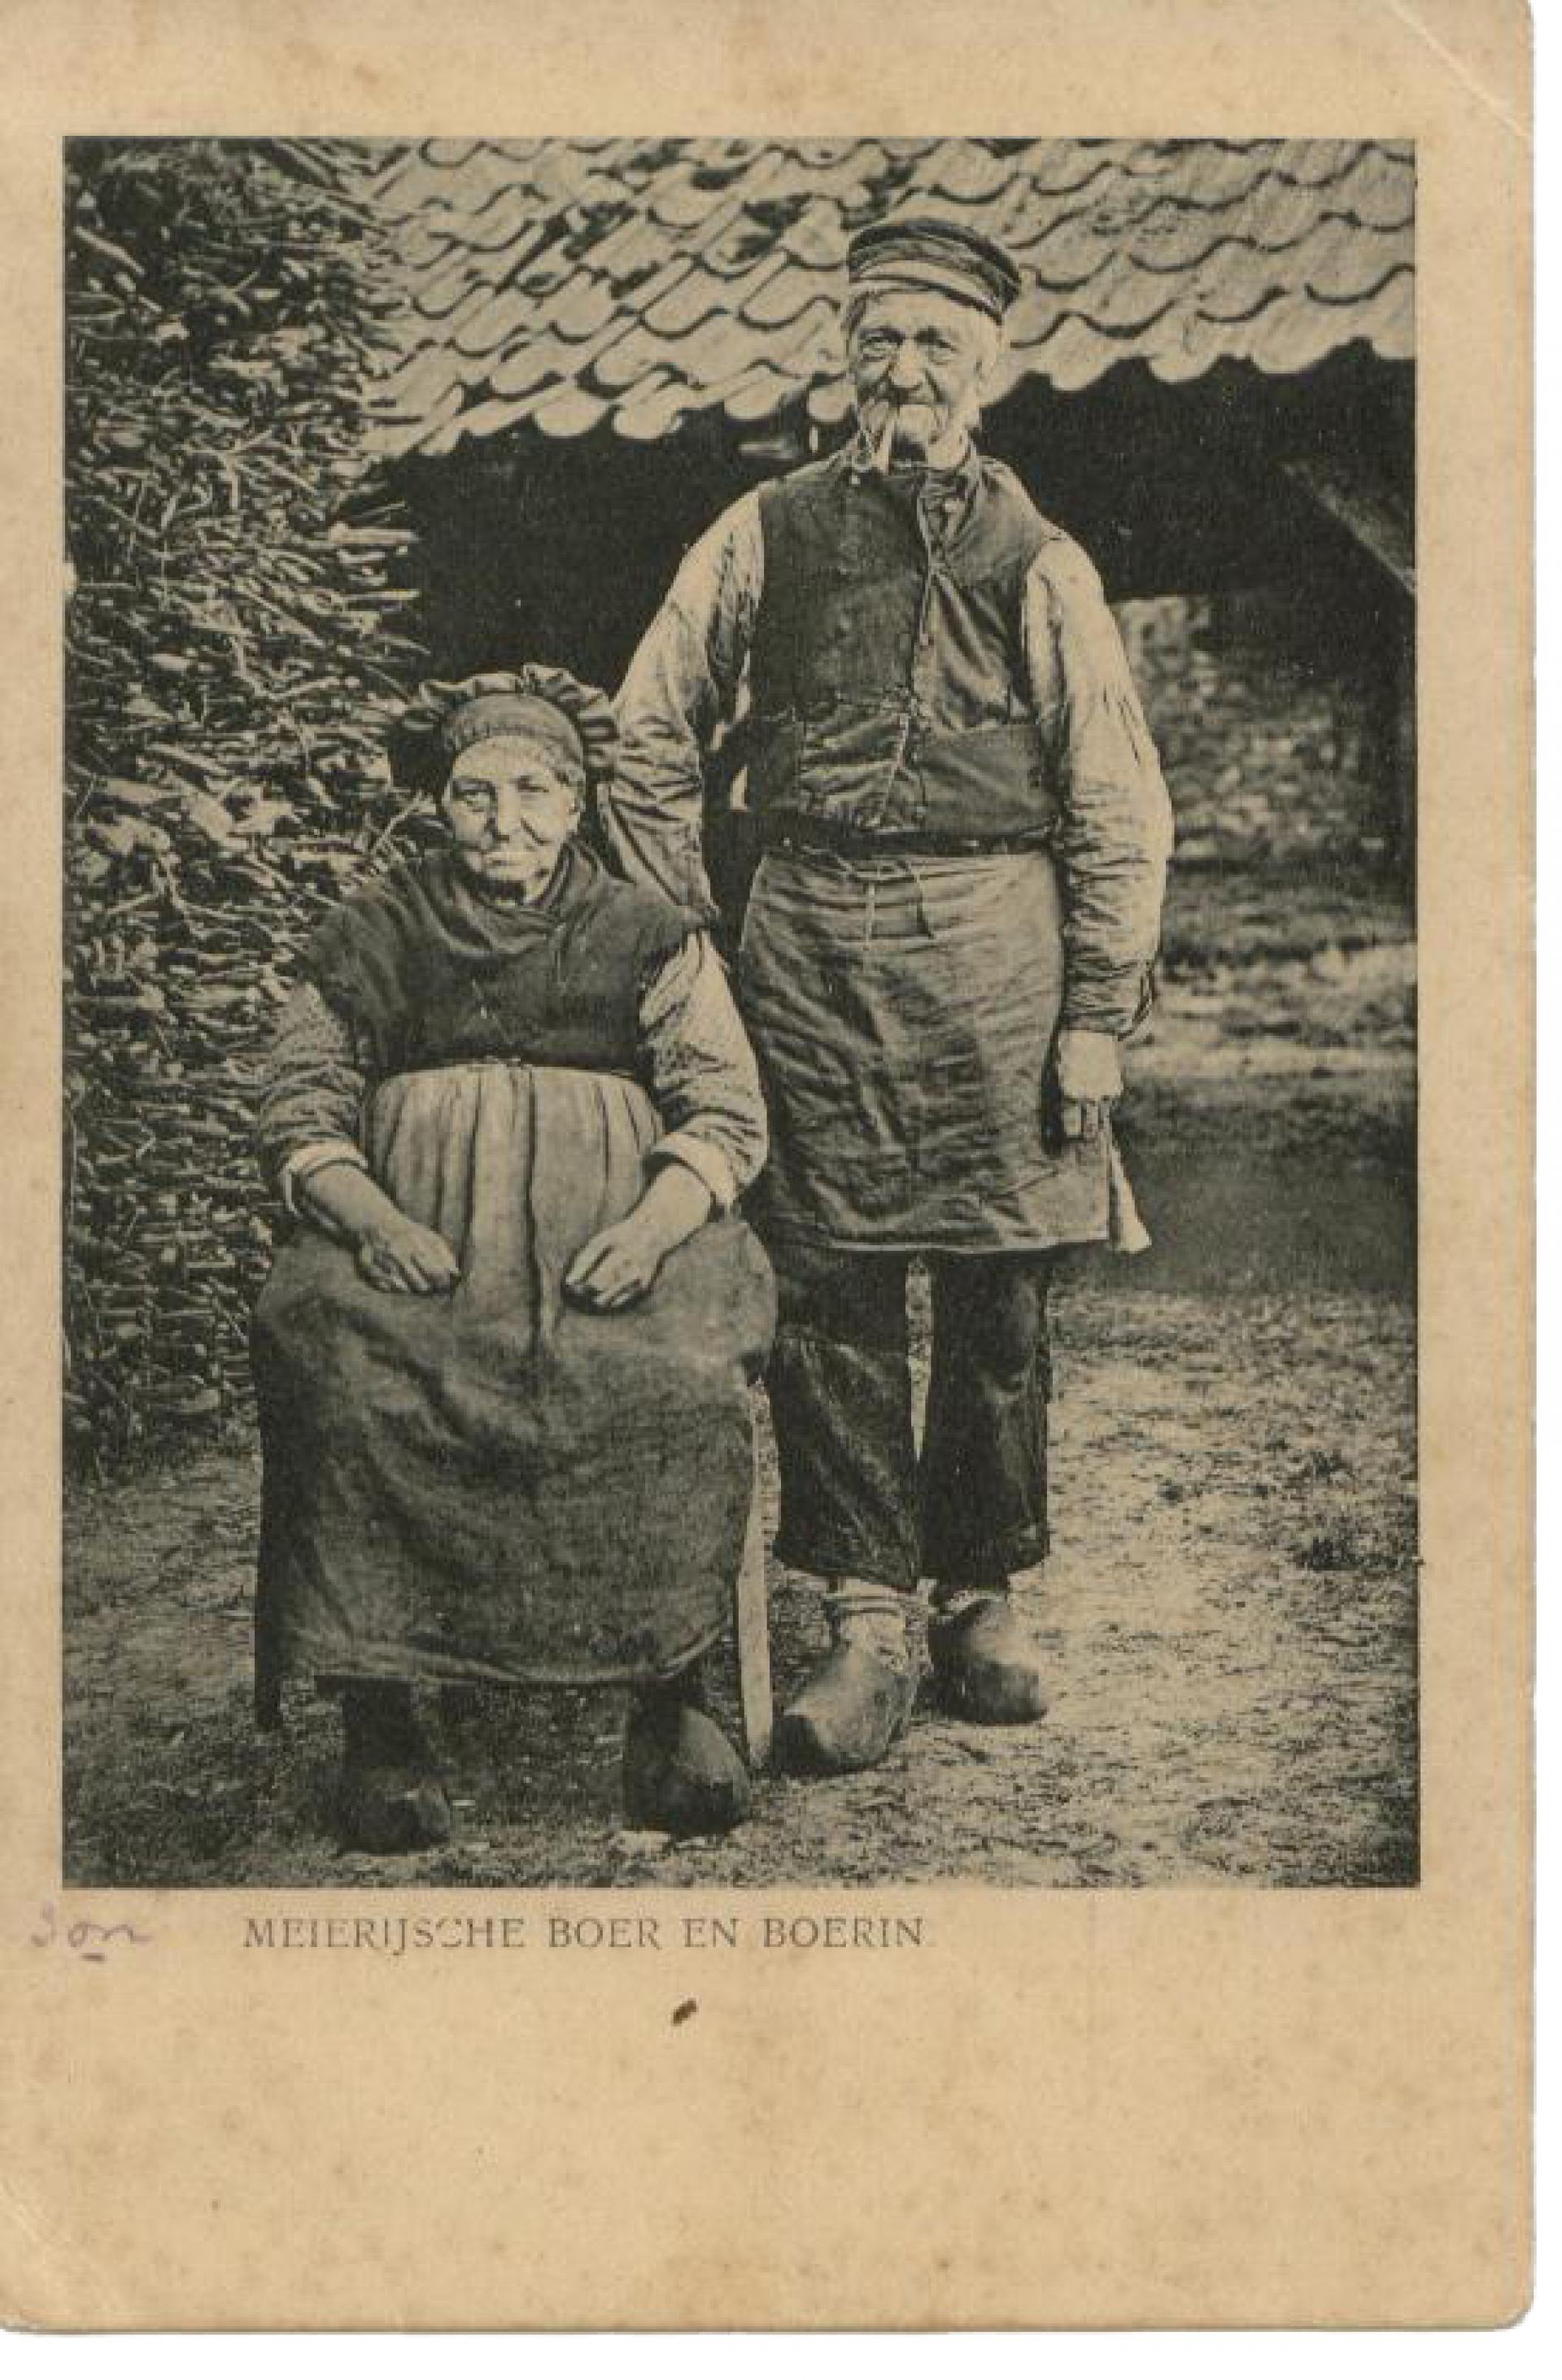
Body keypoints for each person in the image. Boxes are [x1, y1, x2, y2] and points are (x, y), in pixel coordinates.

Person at [600, 215, 1173, 1776]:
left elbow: (1117, 796)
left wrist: (1098, 1013)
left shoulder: (1039, 557)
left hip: (1001, 946)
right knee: (832, 1287)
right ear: (842, 359)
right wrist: (694, 932)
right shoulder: (762, 530)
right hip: (806, 952)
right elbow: (649, 729)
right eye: (878, 342)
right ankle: (863, 1619)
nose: (902, 374)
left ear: (987, 369)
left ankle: (976, 1597)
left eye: (935, 344)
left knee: (999, 1292)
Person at [251, 667, 774, 1848]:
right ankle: (380, 1709)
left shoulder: (649, 934)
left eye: (536, 792)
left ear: (578, 801)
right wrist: (372, 1220)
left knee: (676, 1376)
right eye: (476, 794)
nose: (507, 821)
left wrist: (650, 1229)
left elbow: (726, 1107)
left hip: (614, 1234)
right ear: (437, 803)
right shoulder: (372, 931)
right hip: (416, 1233)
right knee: (345, 1373)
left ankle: (670, 1693)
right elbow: (297, 1104)